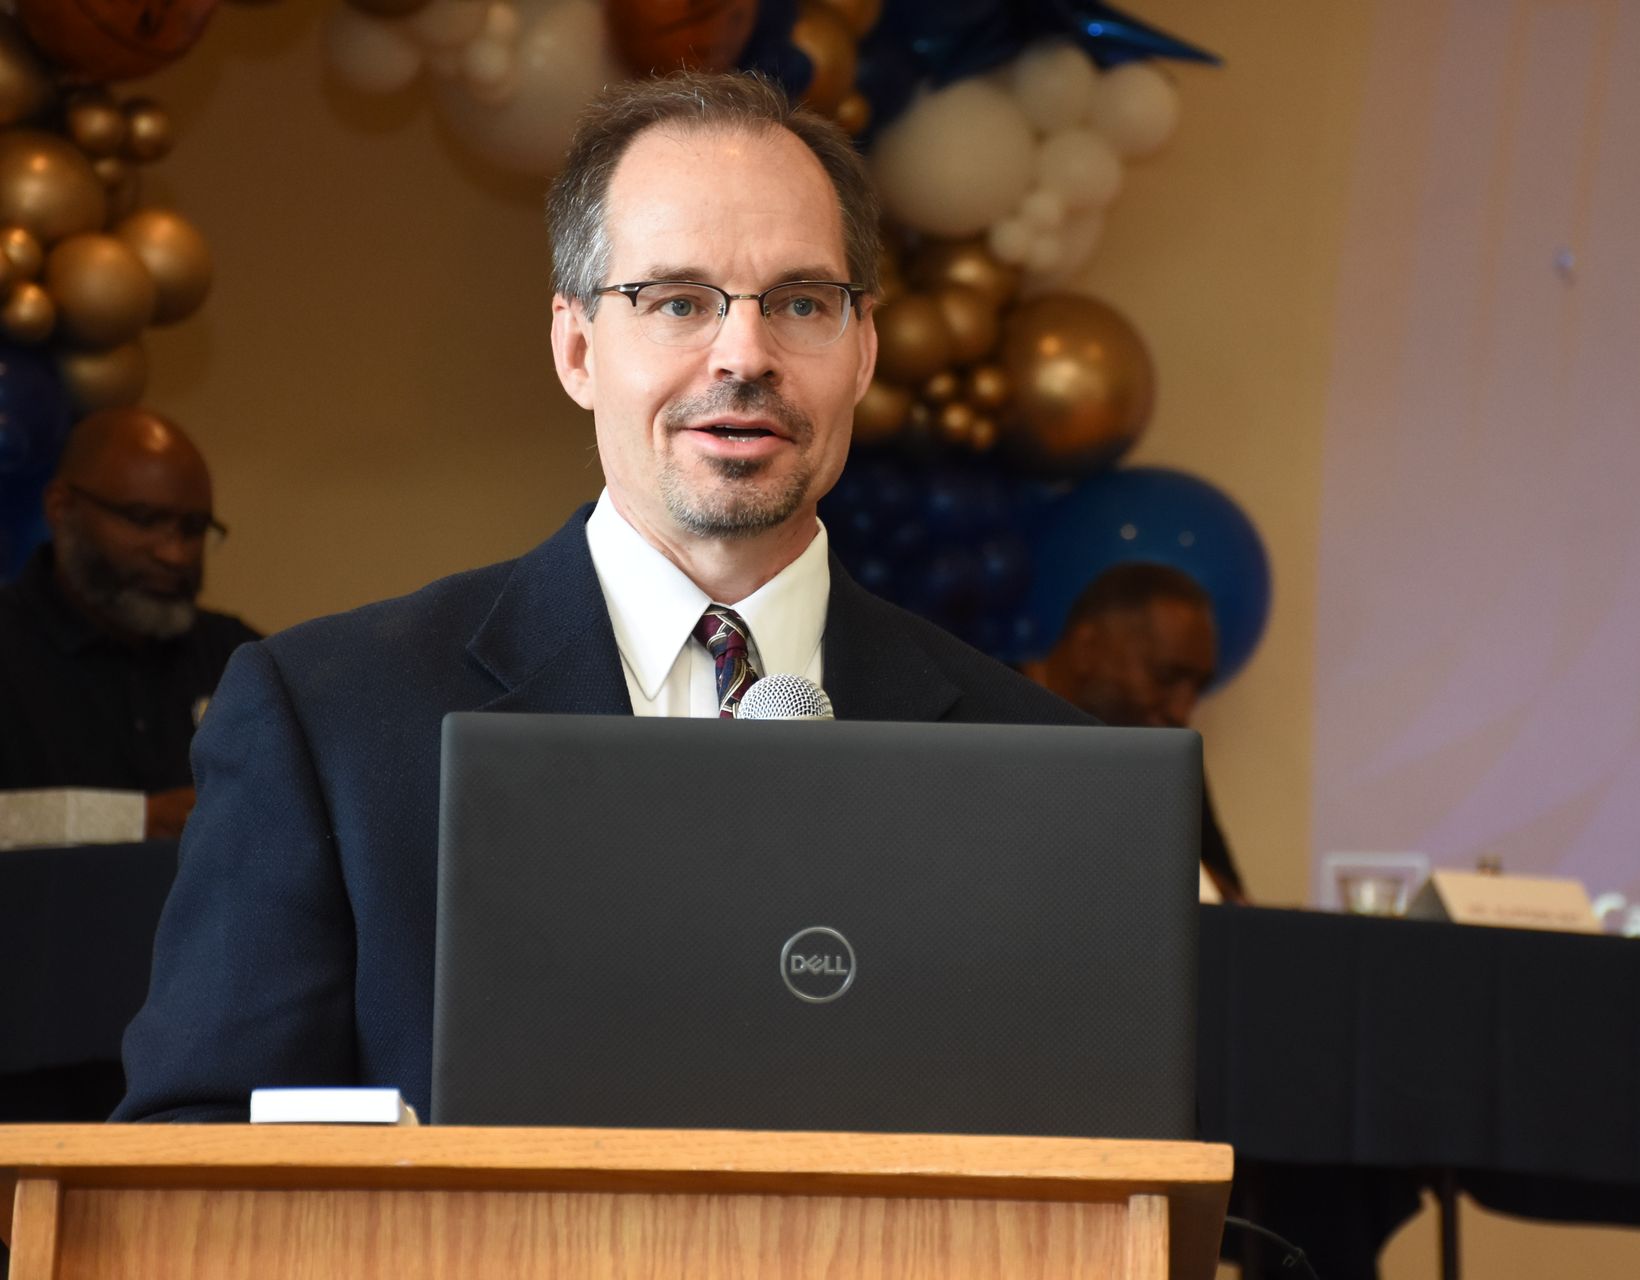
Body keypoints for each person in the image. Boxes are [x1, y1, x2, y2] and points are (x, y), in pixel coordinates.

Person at [114, 71, 1087, 1122]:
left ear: (864, 350)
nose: (744, 354)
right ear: (577, 346)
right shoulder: (329, 719)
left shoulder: (1040, 760)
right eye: (677, 301)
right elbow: (195, 1159)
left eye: (802, 302)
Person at [0, 408, 258, 839]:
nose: (174, 554)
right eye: (143, 520)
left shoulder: (239, 660)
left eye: (193, 528)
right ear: (61, 508)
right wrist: (135, 821)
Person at [1026, 562, 1249, 902]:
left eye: (1198, 687)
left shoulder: (1169, 754)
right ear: (1088, 649)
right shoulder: (974, 711)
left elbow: (1232, 903)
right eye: (1165, 676)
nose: (1181, 710)